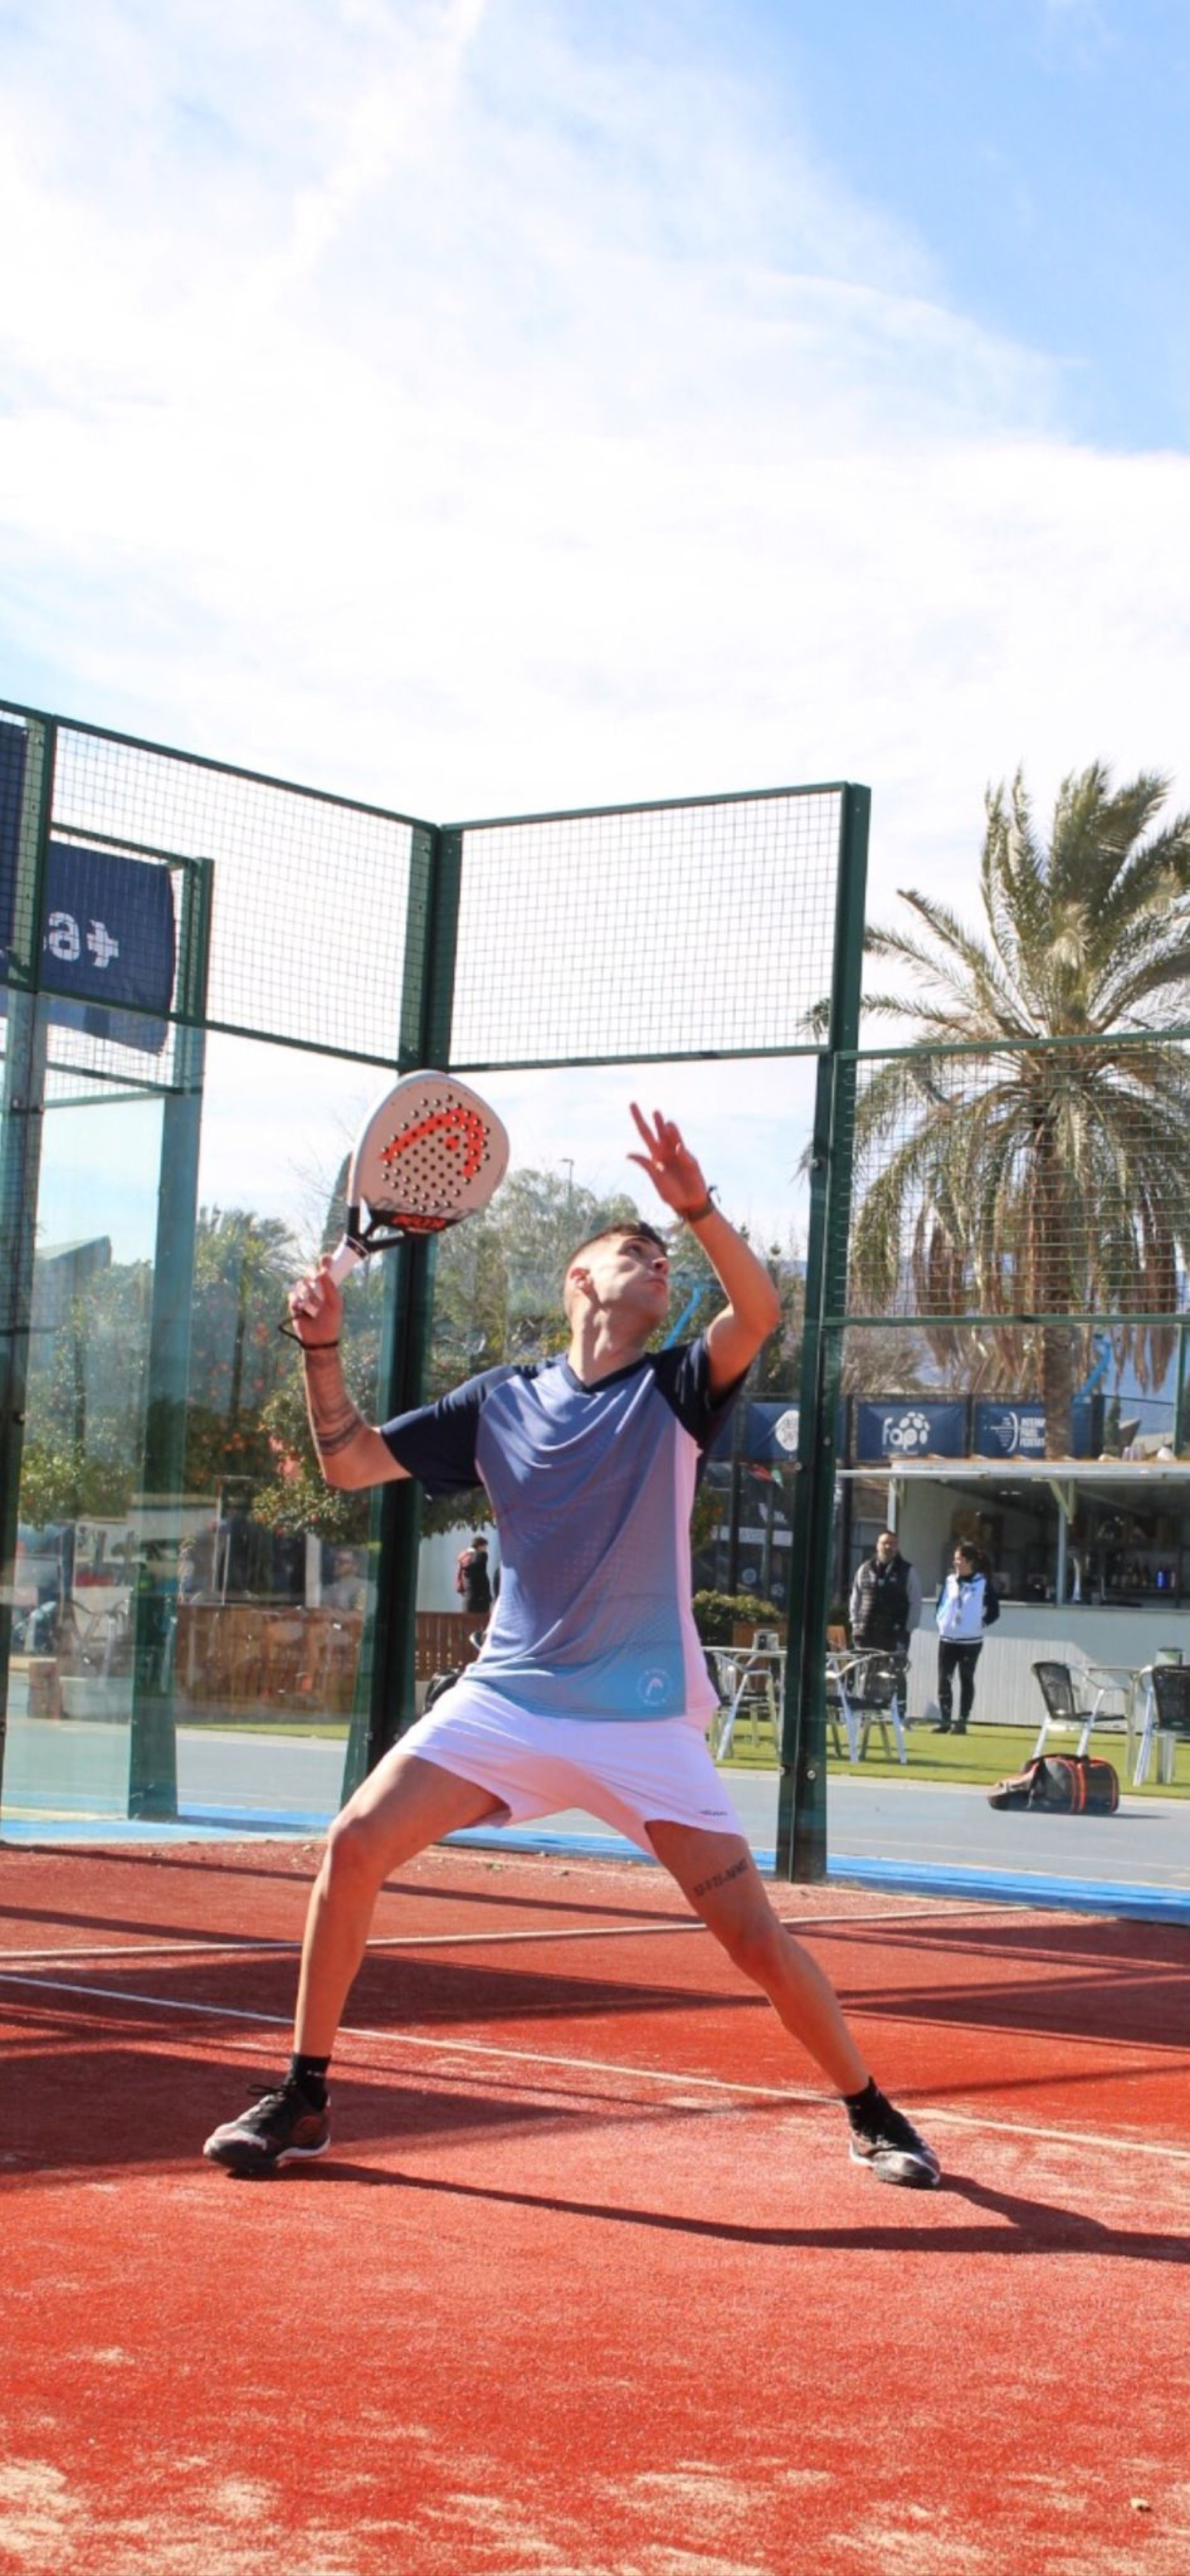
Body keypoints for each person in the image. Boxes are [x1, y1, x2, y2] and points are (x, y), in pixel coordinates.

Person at [204, 1105, 939, 2191]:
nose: (657, 1259)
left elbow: (760, 1310)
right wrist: (320, 1348)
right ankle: (302, 2094)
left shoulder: (677, 1387)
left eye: (663, 1252)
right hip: (506, 1701)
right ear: (580, 1281)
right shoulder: (500, 1401)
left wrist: (699, 1206)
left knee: (752, 1939)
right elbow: (349, 1462)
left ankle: (871, 2108)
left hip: (642, 1721)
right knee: (354, 1844)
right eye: (634, 1248)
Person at [933, 1541, 1000, 1735]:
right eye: (955, 1559)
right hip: (948, 1638)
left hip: (971, 1641)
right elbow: (941, 1604)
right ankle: (945, 1720)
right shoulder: (950, 1581)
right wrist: (941, 1621)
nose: (956, 1563)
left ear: (970, 1562)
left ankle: (962, 1720)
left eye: (959, 1559)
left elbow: (994, 1611)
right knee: (944, 1679)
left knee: (966, 1678)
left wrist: (980, 1624)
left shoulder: (982, 1583)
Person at [849, 1530, 922, 1656]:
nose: (888, 1547)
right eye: (885, 1543)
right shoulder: (864, 1569)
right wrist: (855, 1624)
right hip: (866, 1632)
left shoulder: (908, 1571)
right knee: (865, 1667)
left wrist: (908, 1628)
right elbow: (856, 1598)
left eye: (892, 1544)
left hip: (895, 1633)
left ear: (897, 1547)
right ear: (877, 1545)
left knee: (893, 1668)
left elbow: (915, 1601)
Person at [454, 1532, 493, 1620]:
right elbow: (481, 1577)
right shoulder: (481, 1556)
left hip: (467, 1598)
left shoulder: (464, 1557)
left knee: (467, 1623)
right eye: (485, 1547)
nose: (485, 1550)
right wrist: (486, 1597)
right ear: (479, 1546)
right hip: (480, 1599)